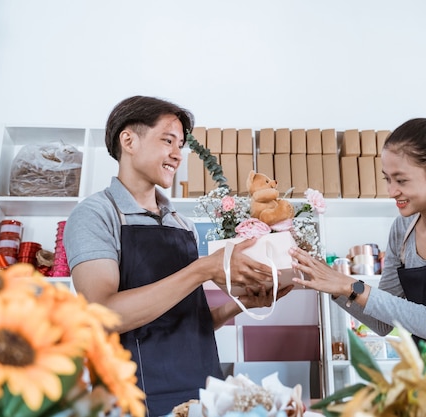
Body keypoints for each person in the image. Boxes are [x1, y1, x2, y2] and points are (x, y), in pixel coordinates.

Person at [63, 95, 292, 416]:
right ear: (128, 140)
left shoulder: (180, 223)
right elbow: (104, 315)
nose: (178, 154)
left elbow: (186, 321)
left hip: (202, 392)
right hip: (135, 400)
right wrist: (201, 270)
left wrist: (239, 306)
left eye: (181, 144)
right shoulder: (96, 214)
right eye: (167, 140)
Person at [289, 113, 426, 380]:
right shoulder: (402, 230)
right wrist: (329, 285)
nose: (391, 190)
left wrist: (349, 285)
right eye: (387, 179)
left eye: (401, 180)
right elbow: (383, 322)